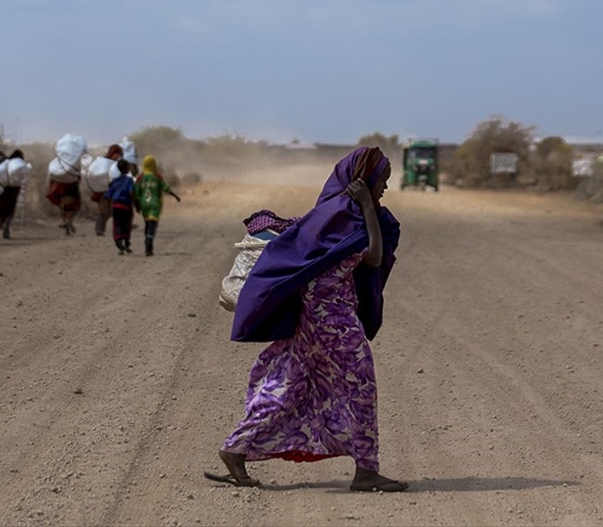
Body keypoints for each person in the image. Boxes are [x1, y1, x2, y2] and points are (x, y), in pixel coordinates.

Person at [207, 147, 407, 493]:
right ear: (363, 181)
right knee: (360, 387)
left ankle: (236, 448)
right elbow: (373, 256)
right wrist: (367, 211)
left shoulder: (328, 212)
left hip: (311, 319)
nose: (385, 189)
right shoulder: (349, 216)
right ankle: (366, 471)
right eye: (382, 181)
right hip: (334, 320)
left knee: (291, 382)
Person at [133, 155, 180, 256]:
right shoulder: (157, 177)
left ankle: (147, 240)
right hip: (155, 204)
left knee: (147, 223)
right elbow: (165, 188)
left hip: (144, 204)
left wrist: (137, 205)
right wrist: (175, 196)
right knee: (152, 225)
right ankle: (149, 244)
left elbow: (136, 193)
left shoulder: (140, 177)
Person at [0, 149, 29, 239]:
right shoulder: (17, 165)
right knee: (10, 210)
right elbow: (23, 179)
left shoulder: (6, 162)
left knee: (0, 208)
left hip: (2, 188)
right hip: (13, 191)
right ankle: (6, 229)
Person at [87, 145, 123, 237]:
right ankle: (99, 229)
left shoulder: (115, 164)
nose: (118, 156)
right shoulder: (103, 162)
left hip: (111, 191)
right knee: (104, 211)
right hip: (102, 191)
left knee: (111, 211)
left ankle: (101, 228)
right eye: (117, 154)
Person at [105, 158, 136, 254]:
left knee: (117, 225)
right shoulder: (129, 180)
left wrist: (109, 208)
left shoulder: (114, 181)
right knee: (127, 225)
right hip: (126, 206)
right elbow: (131, 192)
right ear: (126, 168)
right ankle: (126, 244)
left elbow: (108, 195)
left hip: (116, 206)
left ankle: (119, 244)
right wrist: (136, 203)